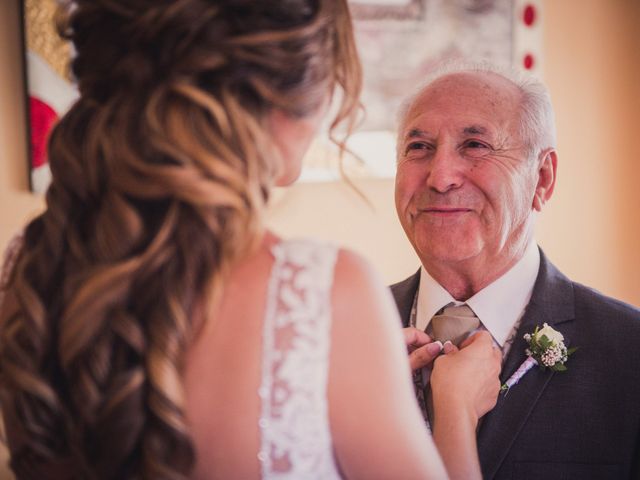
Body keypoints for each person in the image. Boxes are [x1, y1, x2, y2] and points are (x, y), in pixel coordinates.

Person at [0, 2, 502, 479]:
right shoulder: (322, 294)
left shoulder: (30, 261)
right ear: (288, 91)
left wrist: (337, 372)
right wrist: (456, 409)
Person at [391, 62, 640, 479]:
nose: (441, 177)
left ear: (542, 178)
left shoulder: (630, 352)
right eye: (419, 148)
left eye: (474, 145)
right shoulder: (336, 336)